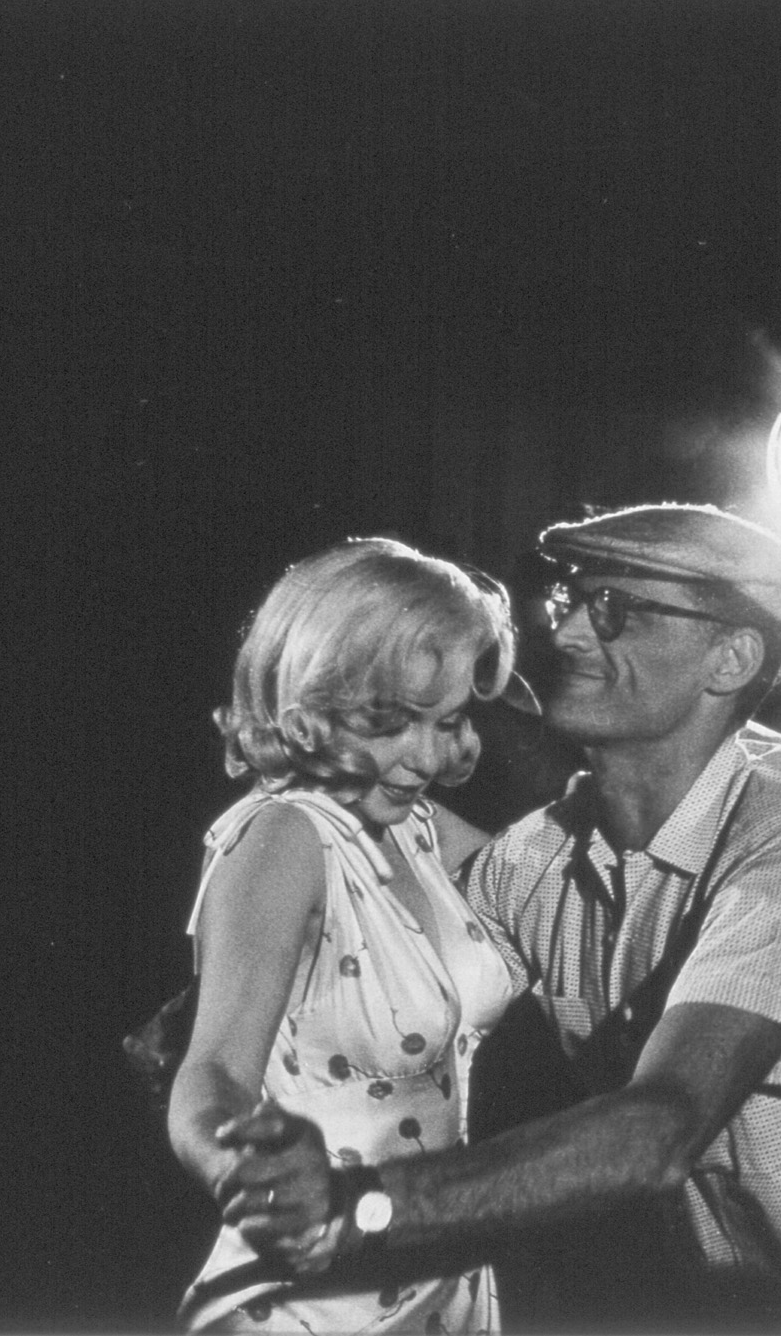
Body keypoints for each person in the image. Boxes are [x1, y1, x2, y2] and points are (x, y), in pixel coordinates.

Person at [222, 504, 781, 1333]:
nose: (569, 634)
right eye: (572, 600)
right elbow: (403, 903)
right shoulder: (552, 851)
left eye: (618, 610)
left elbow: (658, 1131)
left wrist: (357, 1206)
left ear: (730, 659)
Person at [166, 538, 523, 1332]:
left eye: (447, 720)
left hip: (437, 1280)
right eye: (388, 722)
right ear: (312, 700)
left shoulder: (419, 828)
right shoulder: (287, 836)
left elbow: (554, 885)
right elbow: (213, 1069)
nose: (424, 756)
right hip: (310, 1299)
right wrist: (251, 1169)